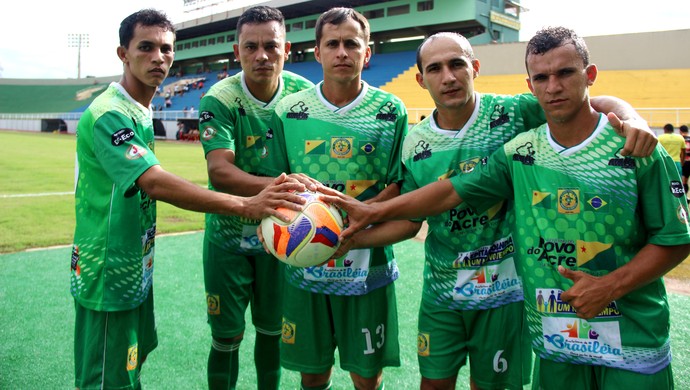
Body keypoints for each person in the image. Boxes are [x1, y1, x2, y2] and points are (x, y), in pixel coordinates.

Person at [327, 26, 690, 390]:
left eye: (565, 73)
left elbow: (676, 237)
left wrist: (634, 118)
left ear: (589, 75)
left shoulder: (628, 147)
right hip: (549, 333)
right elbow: (449, 192)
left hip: (618, 336)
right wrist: (369, 217)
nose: (553, 87)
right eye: (542, 78)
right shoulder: (513, 153)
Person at [70, 9, 308, 390]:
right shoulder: (109, 114)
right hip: (107, 267)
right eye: (146, 48)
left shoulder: (139, 111)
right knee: (106, 376)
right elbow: (155, 183)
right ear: (123, 54)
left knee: (130, 365)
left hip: (134, 260)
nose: (158, 58)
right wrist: (246, 204)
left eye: (166, 49)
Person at [259, 7, 414, 390]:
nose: (342, 52)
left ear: (367, 53)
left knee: (366, 375)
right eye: (333, 44)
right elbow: (275, 186)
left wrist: (364, 216)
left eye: (351, 43)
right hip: (302, 260)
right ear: (318, 52)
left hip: (368, 262)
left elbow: (400, 182)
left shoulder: (390, 110)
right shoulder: (288, 112)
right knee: (311, 373)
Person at [197, 5, 315, 389]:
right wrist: (274, 188)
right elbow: (220, 171)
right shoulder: (220, 98)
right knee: (227, 337)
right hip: (228, 237)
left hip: (282, 238)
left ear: (287, 48)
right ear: (237, 51)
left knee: (273, 331)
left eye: (271, 46)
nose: (261, 55)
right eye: (251, 47)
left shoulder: (303, 96)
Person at [679, 124, 690, 194]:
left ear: (680, 131)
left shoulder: (680, 139)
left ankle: (685, 197)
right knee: (686, 180)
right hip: (689, 161)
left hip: (684, 161)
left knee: (683, 181)